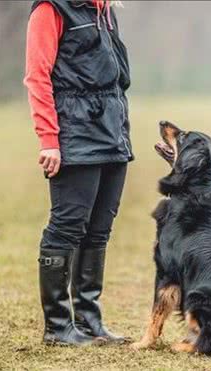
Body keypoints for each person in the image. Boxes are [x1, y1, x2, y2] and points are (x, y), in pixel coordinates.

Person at [24, 0, 132, 346]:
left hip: (113, 134)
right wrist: (49, 139)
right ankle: (58, 327)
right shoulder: (50, 10)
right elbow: (37, 76)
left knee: (99, 231)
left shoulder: (106, 11)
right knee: (67, 227)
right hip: (75, 137)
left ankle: (88, 320)